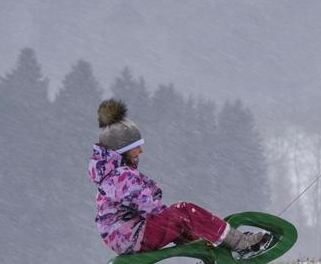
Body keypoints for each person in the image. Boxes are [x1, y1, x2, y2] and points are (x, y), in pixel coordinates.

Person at [87, 98, 270, 256]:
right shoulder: (120, 176)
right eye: (136, 146)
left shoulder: (113, 175)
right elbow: (148, 207)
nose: (141, 150)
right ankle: (241, 244)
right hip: (132, 236)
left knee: (180, 219)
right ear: (122, 149)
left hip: (125, 237)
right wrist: (177, 219)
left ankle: (209, 248)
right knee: (185, 211)